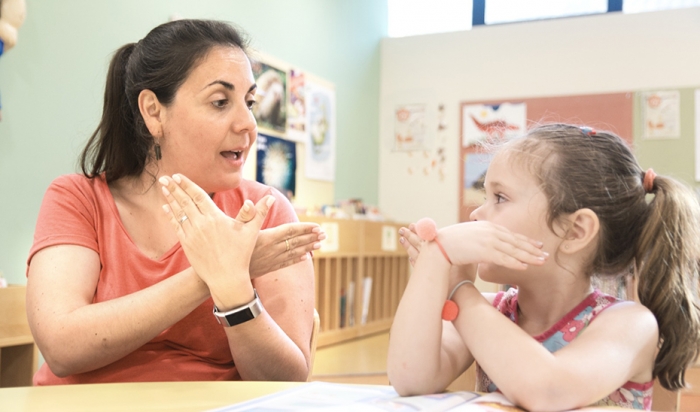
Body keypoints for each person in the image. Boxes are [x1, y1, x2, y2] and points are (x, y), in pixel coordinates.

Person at [26, 19, 325, 385]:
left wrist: (234, 292)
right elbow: (61, 347)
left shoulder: (265, 210)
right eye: (220, 102)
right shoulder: (77, 198)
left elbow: (287, 378)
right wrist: (217, 274)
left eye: (249, 103)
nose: (248, 124)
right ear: (153, 111)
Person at [388, 123, 700, 411]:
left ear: (575, 231)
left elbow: (547, 390)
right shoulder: (489, 311)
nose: (476, 215)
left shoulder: (631, 324)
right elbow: (411, 380)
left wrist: (459, 289)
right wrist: (434, 266)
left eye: (500, 197)